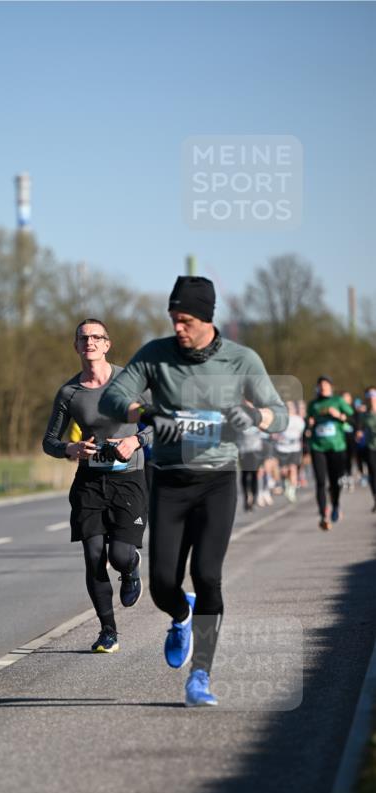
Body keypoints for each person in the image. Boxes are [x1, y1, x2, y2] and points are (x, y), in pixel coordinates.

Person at [99, 276, 287, 707]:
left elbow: (279, 415)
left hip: (218, 480)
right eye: (173, 319)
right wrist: (142, 411)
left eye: (184, 320)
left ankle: (200, 674)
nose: (178, 327)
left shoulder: (241, 360)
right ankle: (180, 614)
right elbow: (114, 396)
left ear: (206, 318)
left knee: (208, 575)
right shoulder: (156, 355)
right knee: (164, 583)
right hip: (168, 479)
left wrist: (252, 416)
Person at [43, 319, 152, 653]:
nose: (89, 342)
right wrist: (69, 450)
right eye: (83, 338)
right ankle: (108, 631)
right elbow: (49, 441)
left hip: (129, 479)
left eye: (96, 337)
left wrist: (135, 440)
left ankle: (131, 570)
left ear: (107, 344)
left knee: (119, 555)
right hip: (90, 481)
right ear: (76, 346)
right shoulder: (69, 393)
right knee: (93, 556)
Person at [305, 375, 353, 530]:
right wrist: (309, 424)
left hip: (336, 447)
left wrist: (338, 415)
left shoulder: (338, 401)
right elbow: (308, 423)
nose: (323, 387)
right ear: (317, 388)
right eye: (320, 385)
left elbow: (351, 418)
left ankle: (336, 505)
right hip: (318, 447)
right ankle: (322, 515)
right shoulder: (313, 404)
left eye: (325, 385)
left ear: (331, 387)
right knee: (320, 481)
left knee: (334, 482)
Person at [274, 400, 306, 502]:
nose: (289, 409)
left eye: (290, 407)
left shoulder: (298, 420)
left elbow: (301, 432)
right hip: (282, 448)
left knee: (293, 468)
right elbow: (275, 433)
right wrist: (277, 437)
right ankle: (286, 483)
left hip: (294, 448)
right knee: (283, 470)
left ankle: (291, 490)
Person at [356, 386, 376, 512]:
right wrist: (359, 433)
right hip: (371, 447)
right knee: (373, 474)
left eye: (373, 396)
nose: (371, 399)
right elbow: (360, 428)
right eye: (369, 396)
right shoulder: (364, 415)